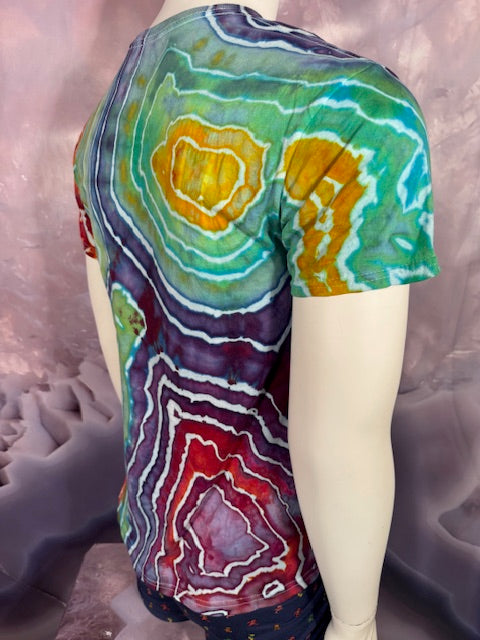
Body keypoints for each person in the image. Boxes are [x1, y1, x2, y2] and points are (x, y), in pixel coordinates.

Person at [73, 2, 440, 638]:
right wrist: (356, 622)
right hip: (272, 575)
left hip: (154, 524)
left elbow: (122, 343)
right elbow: (342, 438)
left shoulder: (108, 115)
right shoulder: (351, 111)